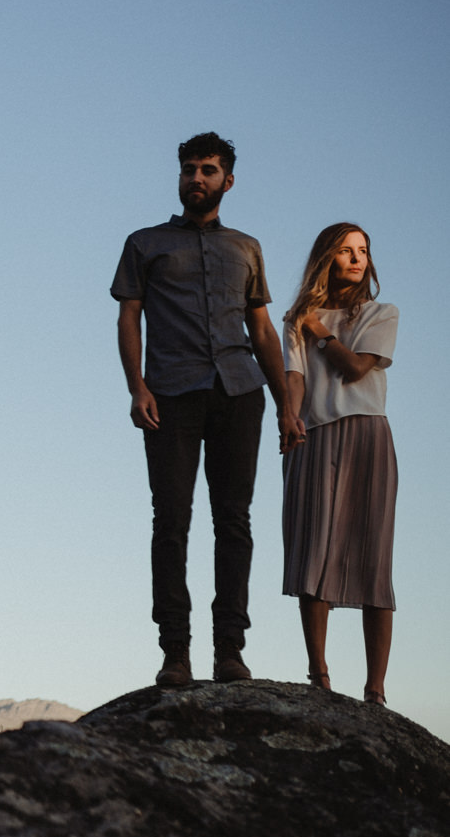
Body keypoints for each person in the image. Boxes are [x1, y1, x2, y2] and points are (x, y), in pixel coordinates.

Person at [112, 133, 304, 687]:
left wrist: (287, 407)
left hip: (238, 393)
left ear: (228, 181)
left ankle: (230, 651)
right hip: (169, 393)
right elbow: (129, 318)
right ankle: (175, 652)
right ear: (180, 176)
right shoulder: (144, 243)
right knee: (171, 521)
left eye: (209, 170)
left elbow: (262, 329)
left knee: (235, 522)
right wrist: (137, 387)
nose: (197, 178)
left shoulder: (246, 248)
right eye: (189, 169)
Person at [279, 223, 398, 704]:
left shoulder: (381, 313)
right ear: (327, 257)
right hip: (314, 435)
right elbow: (294, 377)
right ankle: (319, 676)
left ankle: (375, 690)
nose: (356, 258)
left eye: (363, 251)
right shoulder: (299, 319)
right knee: (313, 552)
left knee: (373, 555)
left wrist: (320, 332)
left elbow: (354, 369)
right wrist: (288, 413)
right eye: (346, 250)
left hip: (368, 434)